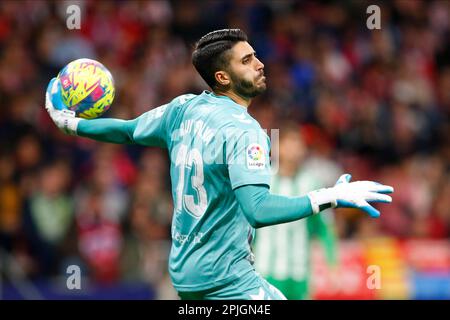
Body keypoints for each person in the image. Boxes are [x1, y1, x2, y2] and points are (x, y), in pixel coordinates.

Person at [44, 29, 393, 300]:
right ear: (223, 77)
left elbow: (127, 131)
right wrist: (330, 196)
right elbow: (258, 210)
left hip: (185, 275)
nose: (259, 64)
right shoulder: (245, 132)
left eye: (255, 56)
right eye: (246, 60)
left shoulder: (183, 109)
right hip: (226, 279)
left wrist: (70, 123)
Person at [254, 124, 338, 300]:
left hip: (300, 273)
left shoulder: (312, 183)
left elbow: (324, 227)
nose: (294, 149)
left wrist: (332, 263)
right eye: (289, 143)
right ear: (278, 148)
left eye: (298, 144)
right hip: (265, 270)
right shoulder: (262, 180)